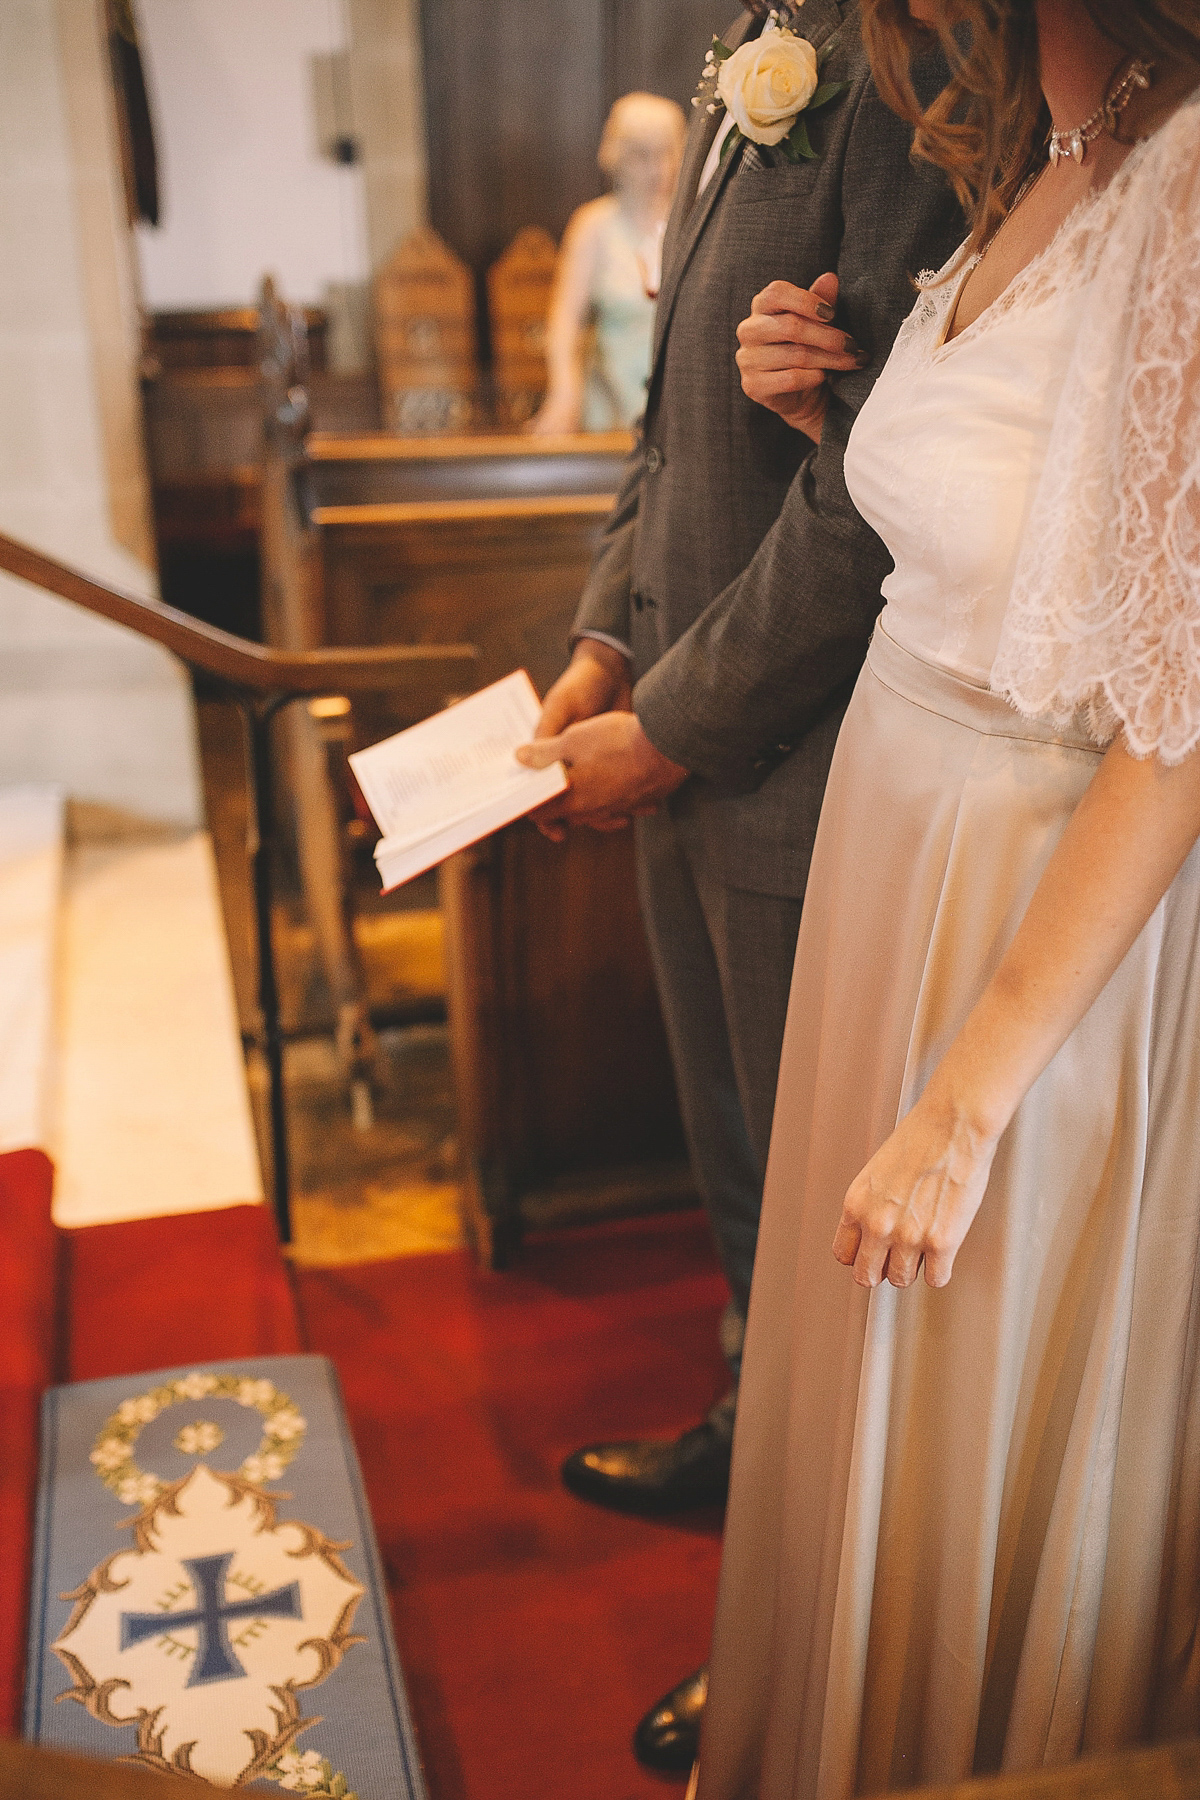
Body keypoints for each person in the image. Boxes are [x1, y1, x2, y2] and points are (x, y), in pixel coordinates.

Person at [695, 2, 1200, 1795]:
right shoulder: (1047, 149)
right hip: (888, 852)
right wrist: (836, 403)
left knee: (971, 1413)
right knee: (859, 1407)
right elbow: (1024, 507)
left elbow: (1181, 712)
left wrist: (973, 1099)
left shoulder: (1192, 174)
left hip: (1024, 902)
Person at [517, 0, 962, 1770]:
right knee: (730, 1168)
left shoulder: (902, 80)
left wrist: (679, 725)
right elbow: (661, 423)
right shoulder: (744, 56)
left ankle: (802, 1601)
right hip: (677, 724)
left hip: (794, 757)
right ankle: (737, 1406)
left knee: (810, 1206)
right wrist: (597, 645)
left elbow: (862, 501)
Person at [528, 93, 686, 435]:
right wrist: (564, 393)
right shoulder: (593, 225)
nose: (658, 169)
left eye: (667, 153)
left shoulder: (690, 221)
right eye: (642, 156)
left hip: (681, 405)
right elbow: (564, 323)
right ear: (617, 156)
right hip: (613, 410)